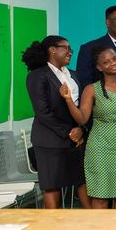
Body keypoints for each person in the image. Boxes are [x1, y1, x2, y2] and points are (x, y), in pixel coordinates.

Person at [60, 46, 116, 208]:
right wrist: (68, 100)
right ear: (99, 67)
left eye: (114, 59)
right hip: (101, 149)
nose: (112, 63)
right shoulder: (92, 89)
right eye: (106, 62)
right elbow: (82, 118)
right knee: (100, 197)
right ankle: (100, 226)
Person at [22, 36, 90, 209]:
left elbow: (81, 107)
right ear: (52, 50)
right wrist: (69, 132)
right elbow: (43, 112)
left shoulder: (72, 74)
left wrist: (80, 129)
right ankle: (52, 222)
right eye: (66, 48)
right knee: (52, 185)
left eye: (70, 49)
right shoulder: (37, 75)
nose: (70, 52)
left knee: (82, 180)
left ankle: (91, 219)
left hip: (76, 138)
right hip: (50, 140)